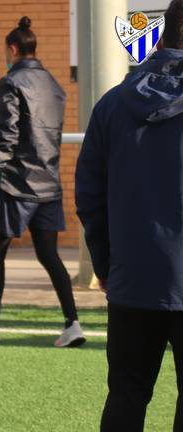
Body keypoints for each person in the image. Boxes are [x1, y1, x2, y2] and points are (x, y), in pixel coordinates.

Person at [76, 1, 183, 429]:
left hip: (132, 279)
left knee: (126, 394)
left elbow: (89, 197)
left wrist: (106, 266)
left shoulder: (111, 104)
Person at [0, 16, 85, 347]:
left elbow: (7, 134)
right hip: (49, 183)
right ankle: (72, 323)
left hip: (16, 185)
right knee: (49, 255)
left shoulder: (11, 81)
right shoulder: (53, 83)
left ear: (12, 49)